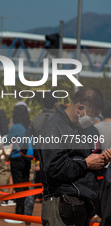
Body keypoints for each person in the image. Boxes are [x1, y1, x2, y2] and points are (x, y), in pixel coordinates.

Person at [39, 87, 111, 226]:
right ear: (80, 108)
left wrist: (102, 161)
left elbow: (92, 165)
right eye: (92, 115)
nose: (95, 120)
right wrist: (85, 163)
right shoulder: (53, 128)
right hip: (61, 205)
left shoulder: (91, 131)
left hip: (85, 205)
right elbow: (53, 167)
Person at [24, 93, 58, 223]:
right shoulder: (59, 119)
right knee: (52, 192)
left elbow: (35, 142)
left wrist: (38, 160)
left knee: (34, 188)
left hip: (40, 160)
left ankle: (27, 218)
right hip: (55, 160)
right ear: (55, 103)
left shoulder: (36, 119)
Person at [5, 104, 33, 223]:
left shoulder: (15, 127)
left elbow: (6, 140)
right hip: (27, 157)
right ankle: (26, 212)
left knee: (18, 185)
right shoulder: (29, 126)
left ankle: (19, 212)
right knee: (25, 183)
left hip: (17, 157)